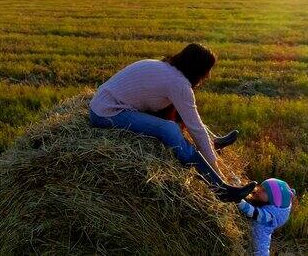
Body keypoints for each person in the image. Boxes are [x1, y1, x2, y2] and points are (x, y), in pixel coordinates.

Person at [88, 43, 256, 202]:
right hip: (107, 113)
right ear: (198, 69)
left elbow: (190, 116)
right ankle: (219, 187)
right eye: (208, 70)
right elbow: (195, 128)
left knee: (182, 110)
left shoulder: (164, 67)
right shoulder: (178, 84)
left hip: (103, 103)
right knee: (169, 129)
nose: (209, 75)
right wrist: (216, 167)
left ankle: (213, 142)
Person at [238, 178, 296, 256]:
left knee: (260, 249)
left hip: (263, 227)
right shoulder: (265, 198)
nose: (258, 189)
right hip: (270, 212)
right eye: (261, 186)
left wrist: (239, 202)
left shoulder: (268, 217)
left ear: (272, 199)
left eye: (264, 191)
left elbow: (254, 213)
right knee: (250, 245)